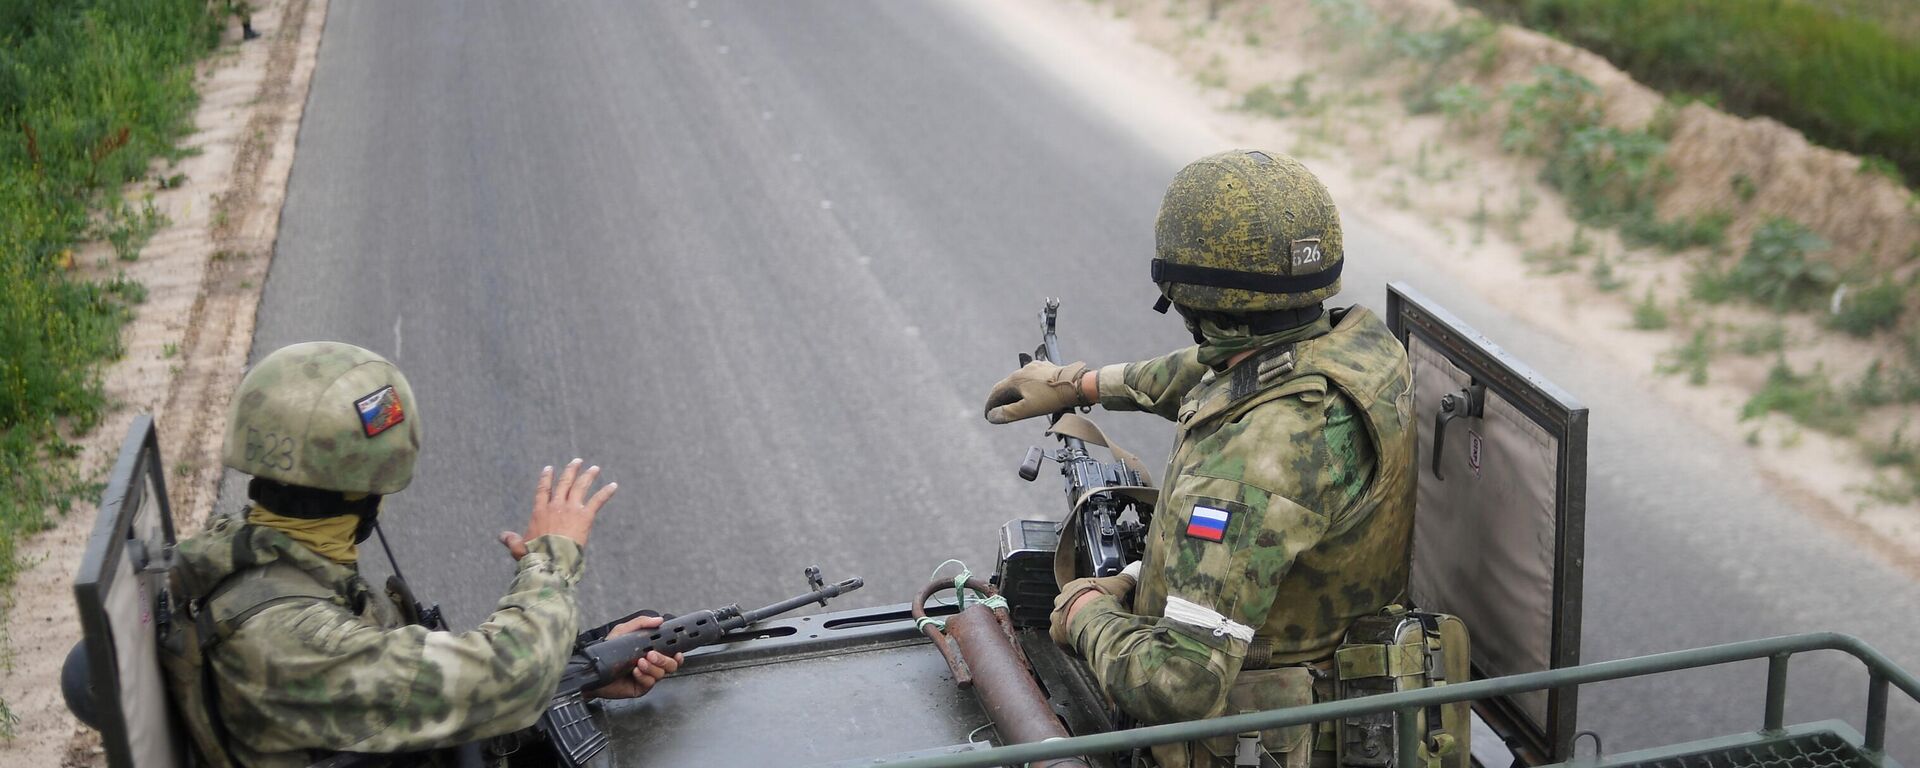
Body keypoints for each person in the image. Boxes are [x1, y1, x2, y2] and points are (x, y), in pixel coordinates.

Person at [983, 150, 1416, 768]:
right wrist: (1083, 385)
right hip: (1341, 668)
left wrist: (1084, 613)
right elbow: (1216, 371)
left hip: (1263, 739)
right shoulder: (1363, 351)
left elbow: (1176, 685)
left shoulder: (1247, 465)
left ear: (1184, 295)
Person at [171, 341, 679, 767]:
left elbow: (413, 703)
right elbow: (508, 676)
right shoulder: (288, 637)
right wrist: (551, 558)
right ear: (366, 491)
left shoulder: (268, 564)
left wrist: (584, 671)